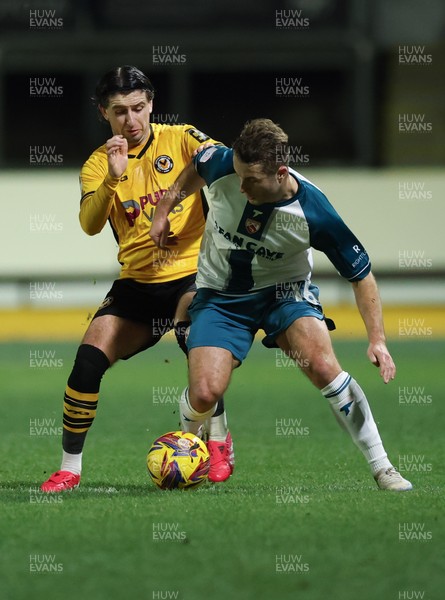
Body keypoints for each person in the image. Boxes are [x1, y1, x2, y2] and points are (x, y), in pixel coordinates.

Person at [149, 118, 413, 492]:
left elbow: (362, 276)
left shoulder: (315, 212)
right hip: (220, 297)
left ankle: (383, 467)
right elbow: (195, 166)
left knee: (323, 366)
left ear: (281, 172)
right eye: (238, 176)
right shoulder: (222, 163)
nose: (240, 186)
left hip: (284, 294)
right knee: (206, 392)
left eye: (252, 180)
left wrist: (378, 340)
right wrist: (164, 210)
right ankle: (191, 445)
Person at [41, 65, 234, 492]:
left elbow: (224, 161)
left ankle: (219, 441)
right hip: (136, 284)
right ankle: (70, 467)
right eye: (119, 112)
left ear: (151, 104)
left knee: (193, 341)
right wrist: (113, 177)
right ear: (102, 113)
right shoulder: (97, 164)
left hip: (191, 275)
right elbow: (90, 225)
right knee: (87, 362)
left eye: (138, 108)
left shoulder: (182, 139)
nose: (131, 120)